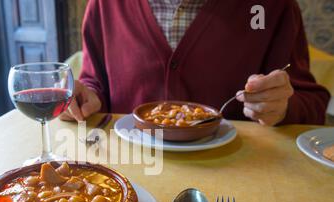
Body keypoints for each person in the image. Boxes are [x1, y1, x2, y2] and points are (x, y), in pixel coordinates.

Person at [60, 0, 330, 126]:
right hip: (132, 175)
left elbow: (312, 103)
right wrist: (86, 97)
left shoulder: (272, 8)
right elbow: (97, 86)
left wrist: (281, 108)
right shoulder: (105, 5)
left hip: (238, 183)